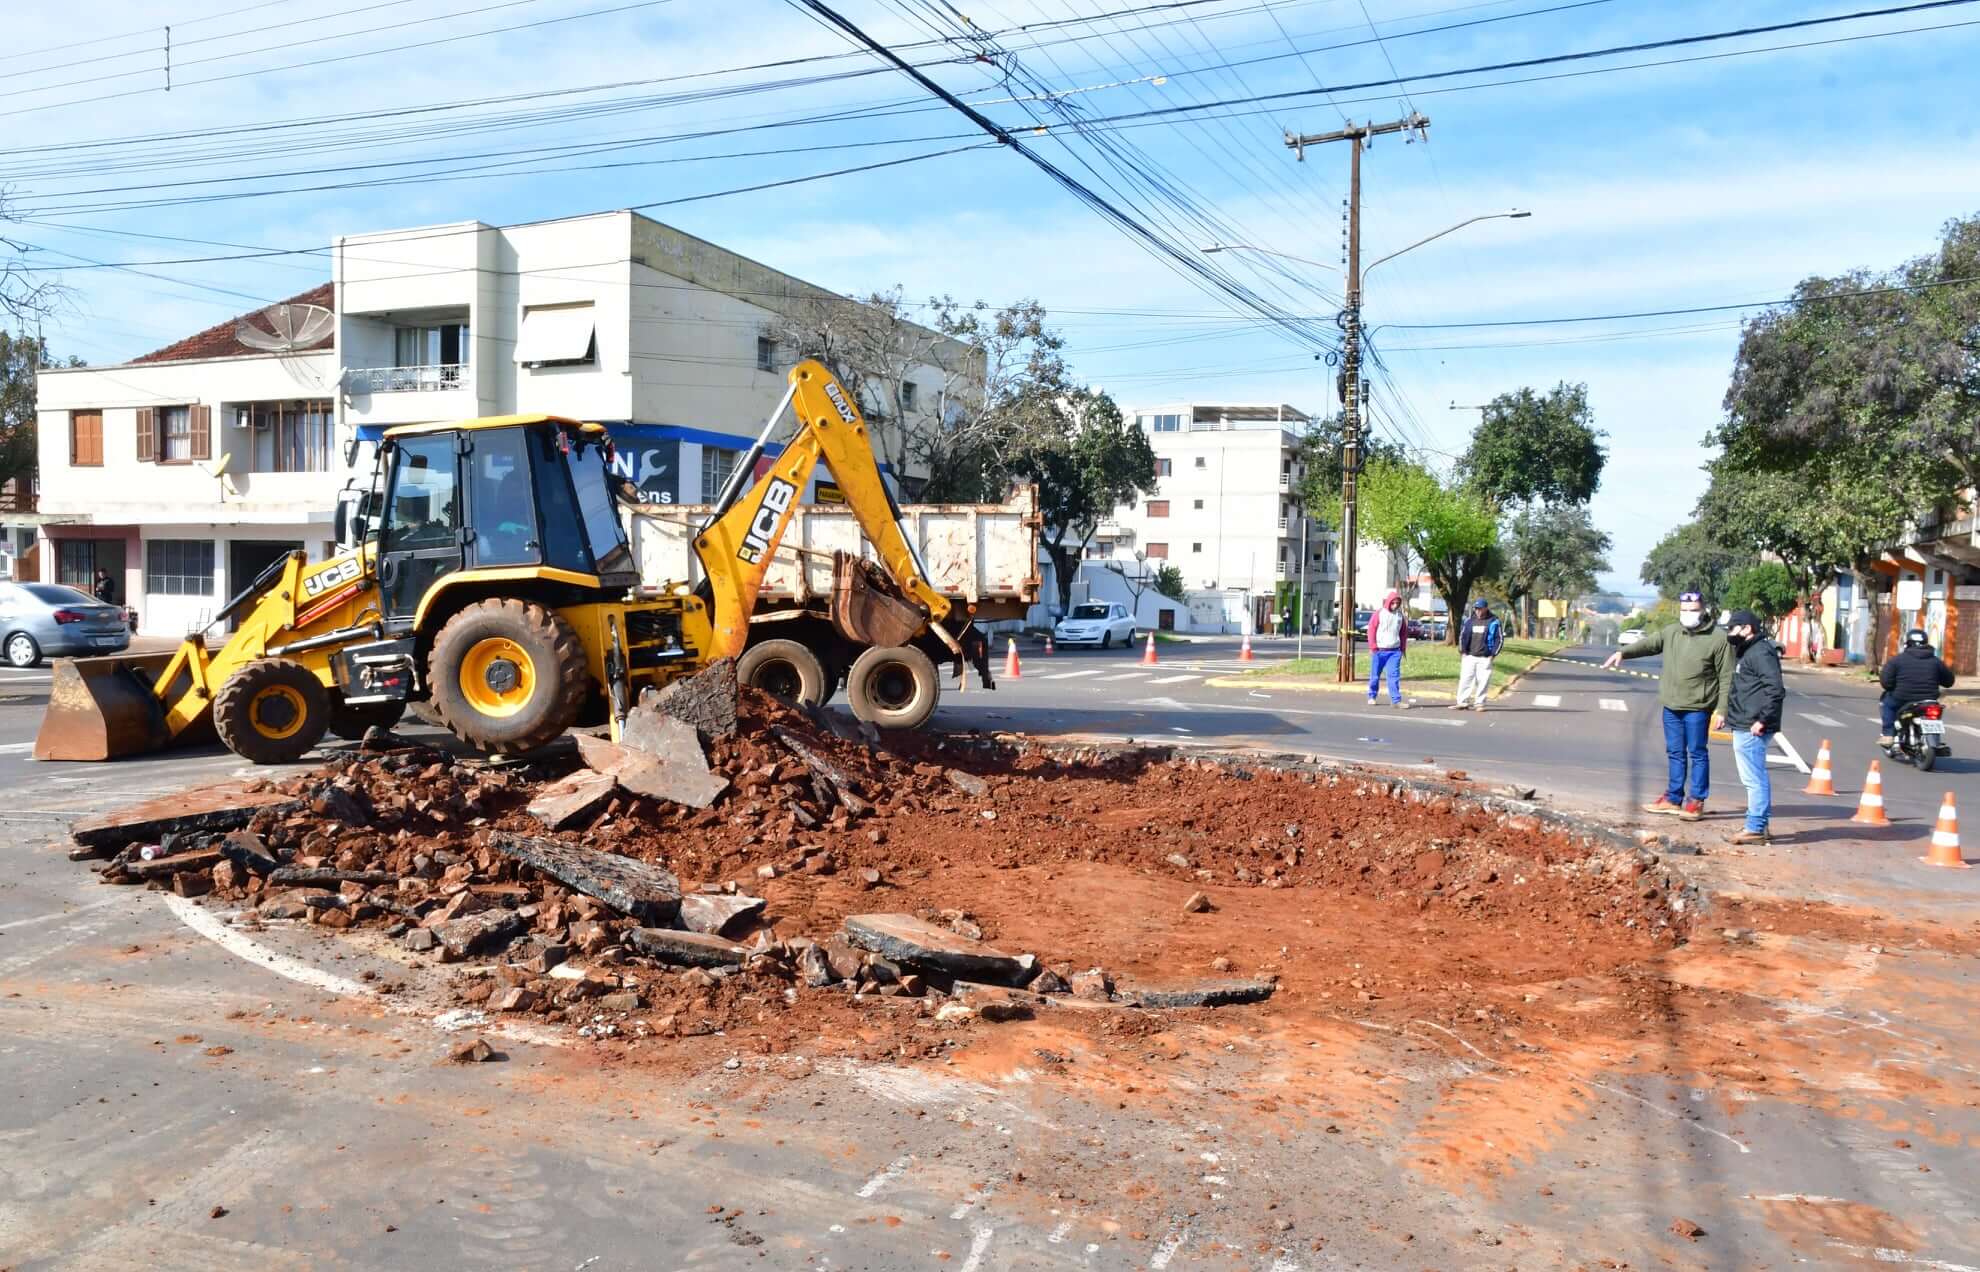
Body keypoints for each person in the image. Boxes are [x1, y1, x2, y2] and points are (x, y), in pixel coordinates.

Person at [1603, 590, 1733, 822]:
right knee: (1675, 752)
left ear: (1703, 610)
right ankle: (1673, 798)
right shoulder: (1672, 632)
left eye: (1693, 610)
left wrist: (1722, 709)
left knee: (1697, 753)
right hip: (1671, 706)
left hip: (1698, 707)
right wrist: (1622, 652)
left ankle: (1696, 801)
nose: (1688, 614)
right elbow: (1649, 644)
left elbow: (1726, 676)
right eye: (1684, 610)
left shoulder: (1718, 638)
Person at [1723, 610, 1785, 846]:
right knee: (1753, 777)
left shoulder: (1760, 652)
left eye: (1732, 628)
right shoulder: (1749, 650)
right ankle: (1759, 825)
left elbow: (1775, 689)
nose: (1730, 633)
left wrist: (1762, 720)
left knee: (1754, 779)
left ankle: (1755, 827)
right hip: (1745, 721)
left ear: (1747, 629)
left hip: (1752, 725)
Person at [1878, 628, 1955, 745]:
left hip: (1901, 698)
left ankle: (1888, 734)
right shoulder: (1936, 661)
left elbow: (1886, 682)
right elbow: (1949, 682)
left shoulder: (1897, 660)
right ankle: (1935, 741)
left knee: (1887, 703)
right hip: (1929, 700)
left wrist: (1892, 687)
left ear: (1907, 643)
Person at [1452, 597, 1502, 711]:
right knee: (1465, 680)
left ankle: (1479, 703)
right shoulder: (1469, 621)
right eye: (1476, 608)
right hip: (1469, 656)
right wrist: (1463, 652)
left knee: (1483, 681)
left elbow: (1499, 639)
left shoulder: (1494, 621)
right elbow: (1462, 636)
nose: (1478, 611)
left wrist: (1493, 655)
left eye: (1480, 608)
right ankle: (1462, 702)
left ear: (1486, 608)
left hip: (1485, 657)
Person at [1365, 588, 1410, 708]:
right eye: (1393, 603)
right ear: (1388, 602)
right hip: (1379, 651)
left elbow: (1403, 633)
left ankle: (1396, 700)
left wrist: (1402, 649)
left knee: (1394, 676)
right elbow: (1371, 629)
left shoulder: (1400, 616)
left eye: (1397, 603)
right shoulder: (1379, 614)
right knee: (1375, 676)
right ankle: (1372, 696)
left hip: (1394, 652)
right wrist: (1373, 647)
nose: (1395, 605)